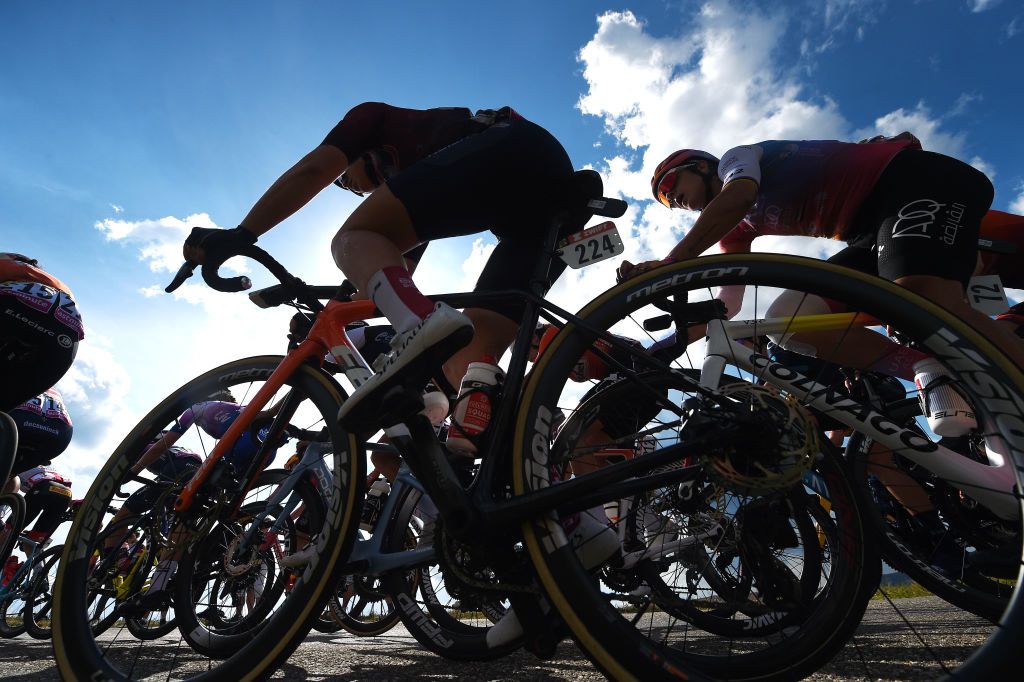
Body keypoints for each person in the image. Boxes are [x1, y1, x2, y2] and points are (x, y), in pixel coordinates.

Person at [179, 102, 583, 435]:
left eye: (346, 181)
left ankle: (421, 328)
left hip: (511, 149)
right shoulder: (422, 192)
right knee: (469, 365)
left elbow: (313, 170)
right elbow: (382, 282)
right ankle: (536, 476)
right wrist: (328, 315)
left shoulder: (373, 118)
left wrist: (242, 233)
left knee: (351, 238)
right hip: (548, 186)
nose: (352, 187)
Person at [623, 136, 1024, 436]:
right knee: (787, 322)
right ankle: (927, 364)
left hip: (912, 184)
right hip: (870, 234)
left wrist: (670, 264)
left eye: (672, 184)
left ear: (703, 167)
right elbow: (728, 304)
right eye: (667, 201)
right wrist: (677, 342)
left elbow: (740, 196)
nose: (674, 199)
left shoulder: (738, 161)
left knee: (926, 300)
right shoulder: (736, 232)